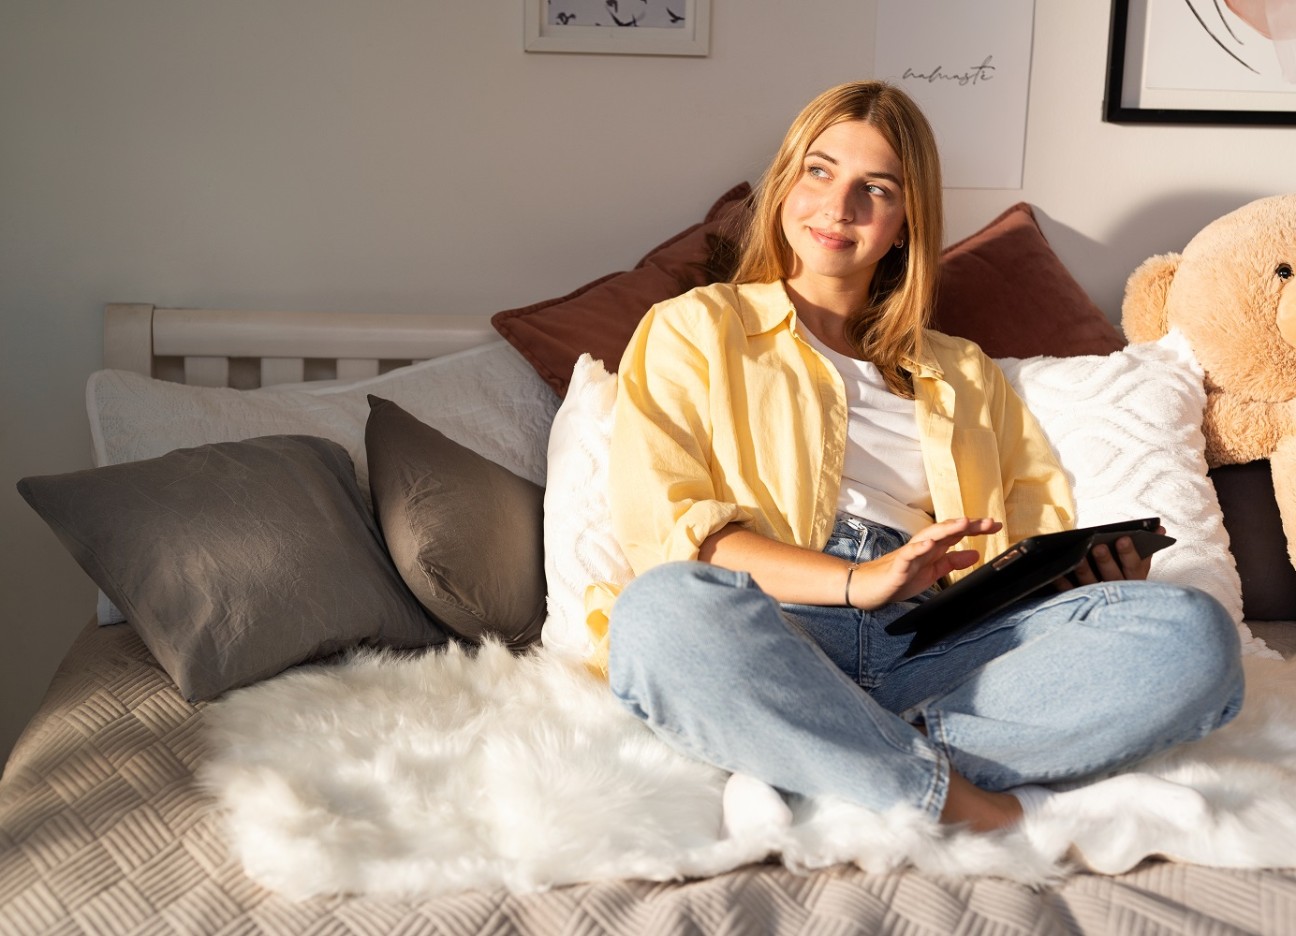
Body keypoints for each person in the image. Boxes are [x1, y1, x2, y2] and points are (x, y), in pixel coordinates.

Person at [594, 80, 1245, 841]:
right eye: (819, 171)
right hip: (775, 623)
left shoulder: (964, 372)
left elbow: (1027, 534)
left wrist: (1079, 581)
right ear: (782, 187)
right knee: (662, 612)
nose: (839, 207)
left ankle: (808, 757)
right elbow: (674, 530)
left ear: (906, 223)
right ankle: (979, 807)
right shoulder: (694, 327)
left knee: (1189, 632)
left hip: (936, 642)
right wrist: (858, 579)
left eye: (876, 189)